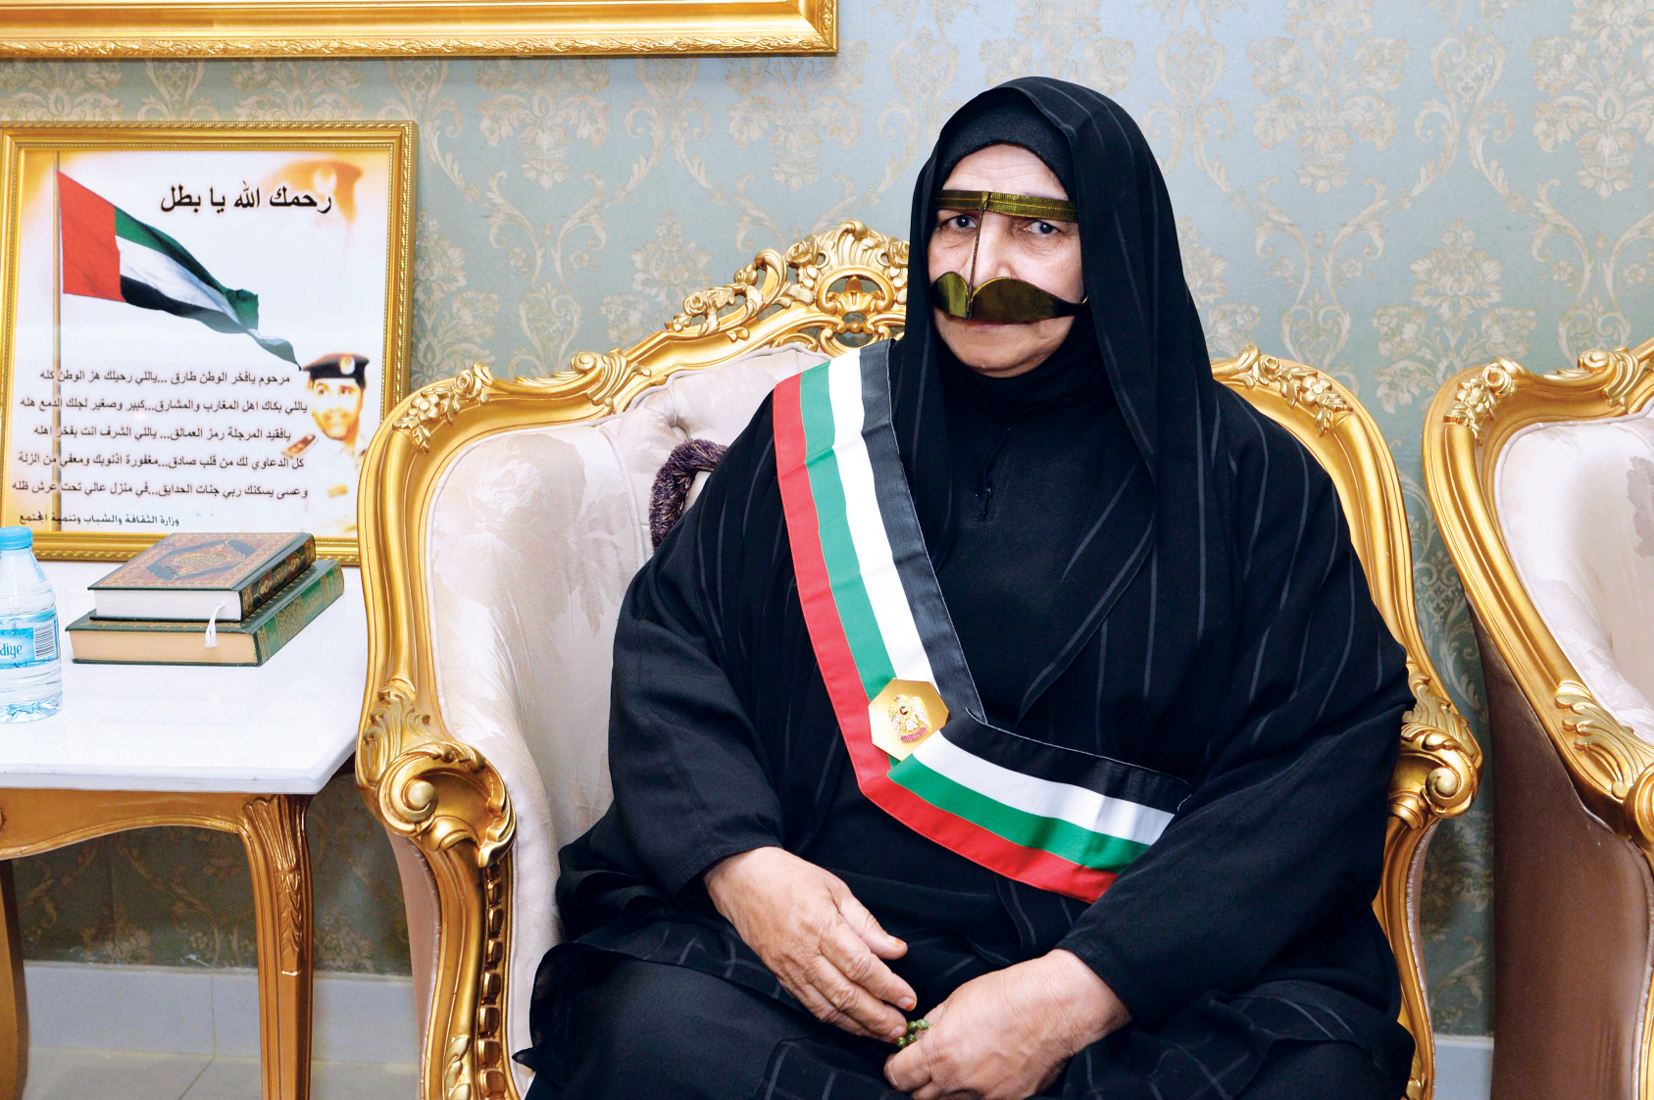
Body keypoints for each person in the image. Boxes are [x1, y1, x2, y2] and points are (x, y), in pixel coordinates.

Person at [517, 77, 1415, 1100]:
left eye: (1040, 229)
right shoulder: (817, 433)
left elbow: (1312, 762)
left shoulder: (1251, 481)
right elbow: (676, 643)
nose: (981, 271)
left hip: (1138, 970)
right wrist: (745, 869)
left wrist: (1075, 994)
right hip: (839, 957)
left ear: (1116, 251)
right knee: (652, 1032)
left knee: (1311, 1076)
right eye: (956, 222)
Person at [285, 352, 369, 536]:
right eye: (322, 392)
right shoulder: (295, 463)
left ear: (362, 394)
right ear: (310, 393)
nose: (333, 405)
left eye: (345, 392)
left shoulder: (378, 451)